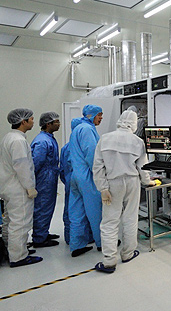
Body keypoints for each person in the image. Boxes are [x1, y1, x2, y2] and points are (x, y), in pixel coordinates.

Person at [92, 110, 155, 273]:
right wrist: (147, 181)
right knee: (130, 218)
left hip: (112, 183)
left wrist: (102, 188)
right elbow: (143, 167)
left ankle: (109, 261)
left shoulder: (105, 138)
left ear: (119, 121)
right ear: (134, 124)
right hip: (132, 182)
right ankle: (127, 254)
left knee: (109, 222)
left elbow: (98, 166)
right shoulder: (138, 141)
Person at [0, 108, 43, 267]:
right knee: (20, 222)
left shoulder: (8, 137)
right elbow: (22, 166)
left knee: (9, 221)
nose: (33, 121)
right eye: (31, 119)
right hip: (18, 189)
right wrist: (30, 187)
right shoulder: (18, 141)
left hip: (8, 186)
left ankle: (11, 249)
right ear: (23, 121)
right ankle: (18, 257)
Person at [69, 105, 103, 257]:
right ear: (91, 115)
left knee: (77, 211)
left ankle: (77, 245)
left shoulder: (77, 129)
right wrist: (100, 175)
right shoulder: (87, 130)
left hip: (76, 176)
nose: (101, 118)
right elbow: (91, 154)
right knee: (95, 211)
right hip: (87, 177)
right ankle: (102, 242)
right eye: (99, 115)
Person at [30, 112, 61, 248]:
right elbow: (36, 163)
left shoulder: (48, 138)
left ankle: (43, 233)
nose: (59, 124)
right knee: (42, 207)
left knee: (47, 207)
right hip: (44, 179)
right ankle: (39, 239)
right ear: (48, 124)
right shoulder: (43, 141)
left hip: (49, 177)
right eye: (56, 122)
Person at [59, 118, 91, 245]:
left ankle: (70, 237)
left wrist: (67, 181)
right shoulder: (80, 146)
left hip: (69, 181)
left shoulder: (66, 147)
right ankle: (84, 238)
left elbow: (62, 169)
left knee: (71, 210)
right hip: (83, 180)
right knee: (83, 211)